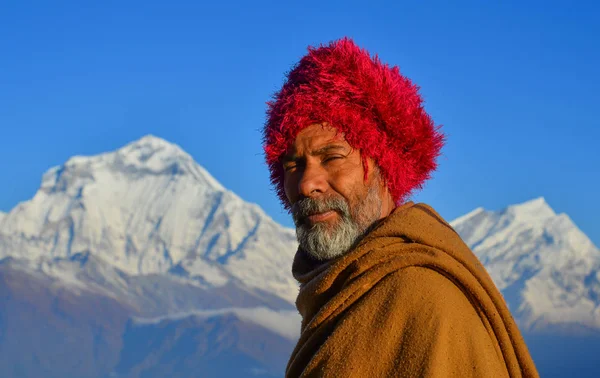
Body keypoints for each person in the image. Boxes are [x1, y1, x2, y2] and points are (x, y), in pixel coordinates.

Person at [262, 37, 539, 377]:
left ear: (382, 166)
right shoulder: (343, 292)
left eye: (332, 157)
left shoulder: (421, 301)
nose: (307, 183)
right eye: (292, 166)